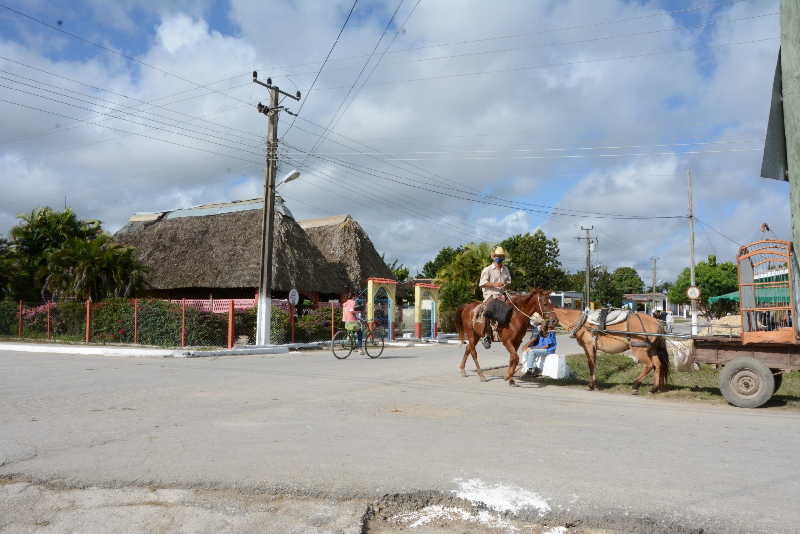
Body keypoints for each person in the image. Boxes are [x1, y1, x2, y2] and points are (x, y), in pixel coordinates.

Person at [475, 246, 512, 349]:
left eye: (500, 256)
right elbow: (482, 284)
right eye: (497, 256)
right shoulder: (487, 270)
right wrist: (495, 285)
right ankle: (486, 335)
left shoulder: (506, 269)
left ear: (503, 258)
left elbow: (509, 281)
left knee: (515, 306)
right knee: (489, 310)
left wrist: (505, 285)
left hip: (503, 294)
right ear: (493, 257)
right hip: (490, 295)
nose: (499, 258)